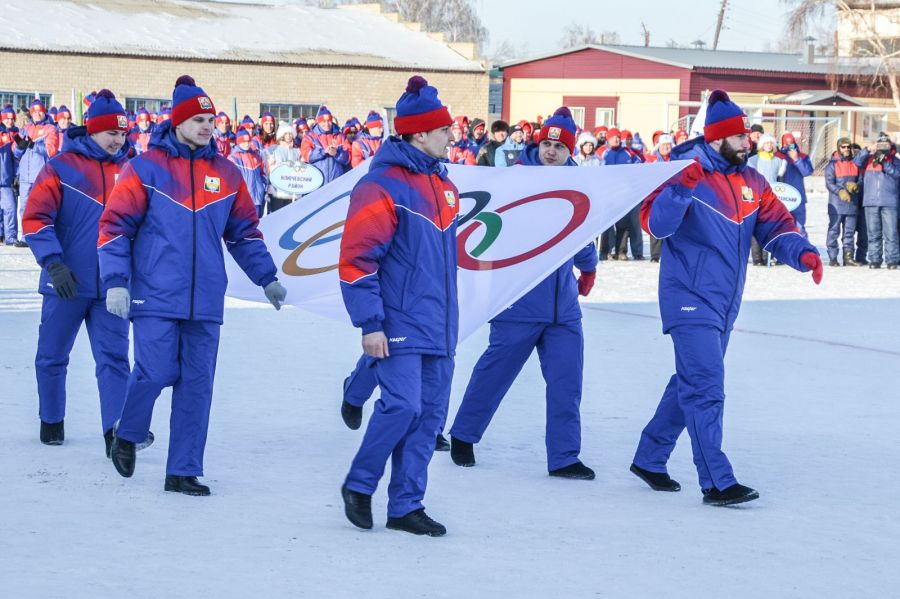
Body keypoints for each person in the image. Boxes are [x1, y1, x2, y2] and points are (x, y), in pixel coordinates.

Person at [630, 89, 822, 506]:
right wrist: (680, 190)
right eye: (739, 137)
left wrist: (802, 253)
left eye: (747, 136)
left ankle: (649, 457)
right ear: (718, 138)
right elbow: (657, 227)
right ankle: (716, 481)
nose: (747, 142)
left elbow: (776, 225)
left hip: (724, 301)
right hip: (687, 296)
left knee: (690, 381)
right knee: (705, 386)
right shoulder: (683, 171)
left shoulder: (752, 181)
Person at [99, 76, 287, 496]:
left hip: (204, 300)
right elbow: (114, 228)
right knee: (155, 371)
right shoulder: (144, 168)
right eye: (198, 120)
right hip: (155, 294)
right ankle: (128, 433)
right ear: (178, 122)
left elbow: (244, 233)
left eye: (210, 120)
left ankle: (182, 470)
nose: (207, 126)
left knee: (197, 385)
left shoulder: (226, 173)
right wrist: (115, 281)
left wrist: (267, 277)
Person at [449, 107, 598, 480]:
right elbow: (493, 229)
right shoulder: (515, 180)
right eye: (547, 144)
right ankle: (464, 435)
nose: (552, 152)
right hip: (518, 301)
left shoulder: (579, 184)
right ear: (538, 144)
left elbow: (580, 232)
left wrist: (589, 267)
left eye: (559, 147)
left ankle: (564, 457)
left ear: (569, 152)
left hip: (563, 308)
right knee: (494, 374)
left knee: (567, 383)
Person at [338, 75, 458, 537]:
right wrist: (370, 323)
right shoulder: (380, 186)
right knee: (402, 407)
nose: (451, 136)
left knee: (428, 419)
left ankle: (406, 505)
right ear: (420, 134)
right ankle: (359, 484)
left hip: (440, 325)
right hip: (398, 319)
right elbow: (357, 260)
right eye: (444, 129)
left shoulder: (444, 185)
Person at [21, 90, 154, 454]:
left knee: (114, 359)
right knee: (52, 355)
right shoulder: (61, 167)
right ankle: (51, 420)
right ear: (93, 130)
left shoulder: (133, 170)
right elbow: (35, 218)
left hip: (113, 285)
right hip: (66, 281)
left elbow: (146, 225)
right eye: (112, 132)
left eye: (123, 133)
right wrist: (53, 263)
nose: (119, 140)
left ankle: (116, 433)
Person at [13, 99, 60, 247]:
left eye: (40, 111)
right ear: (31, 113)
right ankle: (26, 237)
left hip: (40, 175)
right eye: (35, 111)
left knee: (41, 208)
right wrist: (20, 147)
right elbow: (15, 152)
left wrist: (34, 145)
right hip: (25, 176)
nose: (37, 114)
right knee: (24, 208)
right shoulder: (25, 129)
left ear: (44, 112)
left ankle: (40, 237)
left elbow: (51, 151)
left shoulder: (50, 129)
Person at [854, 133, 900, 269]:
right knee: (873, 233)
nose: (883, 147)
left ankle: (892, 260)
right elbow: (856, 162)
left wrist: (884, 162)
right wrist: (869, 149)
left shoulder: (895, 160)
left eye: (886, 145)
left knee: (891, 233)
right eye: (881, 145)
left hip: (889, 202)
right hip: (871, 201)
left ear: (891, 146)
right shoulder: (869, 159)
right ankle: (875, 259)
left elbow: (897, 174)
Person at [599, 127, 643, 260]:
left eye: (618, 137)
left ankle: (624, 251)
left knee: (625, 224)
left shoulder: (629, 153)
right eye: (613, 137)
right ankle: (607, 251)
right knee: (607, 225)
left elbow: (640, 168)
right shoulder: (602, 152)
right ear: (608, 139)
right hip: (608, 193)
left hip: (625, 194)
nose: (616, 139)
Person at [747, 134, 787, 265]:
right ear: (762, 145)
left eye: (771, 143)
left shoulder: (778, 161)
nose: (769, 146)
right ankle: (757, 258)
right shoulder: (753, 160)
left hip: (772, 199)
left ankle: (766, 257)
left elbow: (780, 182)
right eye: (766, 143)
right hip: (757, 198)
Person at [824, 137, 861, 267]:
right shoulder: (832, 165)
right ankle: (833, 257)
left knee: (849, 232)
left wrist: (856, 186)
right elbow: (829, 183)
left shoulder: (855, 163)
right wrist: (840, 191)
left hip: (852, 204)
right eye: (843, 147)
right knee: (834, 231)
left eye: (848, 147)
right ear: (839, 148)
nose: (846, 149)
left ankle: (848, 257)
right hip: (836, 204)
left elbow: (861, 180)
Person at [300, 105, 349, 184]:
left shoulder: (341, 136)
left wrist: (336, 154)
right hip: (316, 181)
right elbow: (307, 156)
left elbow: (347, 159)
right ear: (318, 122)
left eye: (329, 121)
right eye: (323, 121)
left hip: (336, 182)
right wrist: (323, 152)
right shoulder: (309, 137)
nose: (327, 124)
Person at [776, 133, 814, 233]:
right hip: (782, 198)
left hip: (798, 198)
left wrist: (796, 159)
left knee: (799, 228)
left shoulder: (802, 156)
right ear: (783, 144)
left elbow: (807, 172)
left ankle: (802, 244)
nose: (789, 147)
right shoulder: (778, 156)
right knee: (780, 228)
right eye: (786, 144)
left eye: (791, 144)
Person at [647, 134, 675, 262]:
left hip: (672, 196)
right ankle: (655, 255)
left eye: (668, 145)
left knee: (671, 225)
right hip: (656, 196)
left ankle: (670, 253)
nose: (666, 147)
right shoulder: (652, 160)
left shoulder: (676, 159)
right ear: (658, 146)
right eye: (663, 145)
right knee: (656, 224)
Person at [229, 127, 268, 217]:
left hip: (258, 197)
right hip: (244, 200)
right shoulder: (233, 158)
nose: (246, 144)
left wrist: (263, 186)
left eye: (248, 141)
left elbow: (262, 172)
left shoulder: (256, 155)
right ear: (238, 142)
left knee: (259, 221)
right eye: (243, 141)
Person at [266, 121, 301, 212]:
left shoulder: (297, 151)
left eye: (290, 133)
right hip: (277, 190)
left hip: (292, 190)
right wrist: (282, 165)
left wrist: (300, 165)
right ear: (282, 135)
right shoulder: (274, 149)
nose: (288, 136)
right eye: (286, 134)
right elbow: (268, 168)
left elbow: (302, 167)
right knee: (277, 214)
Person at [0, 120, 18, 245]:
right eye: (7, 118)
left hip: (6, 180)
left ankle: (10, 237)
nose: (9, 121)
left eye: (12, 118)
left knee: (10, 209)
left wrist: (17, 175)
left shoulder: (9, 135)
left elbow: (15, 158)